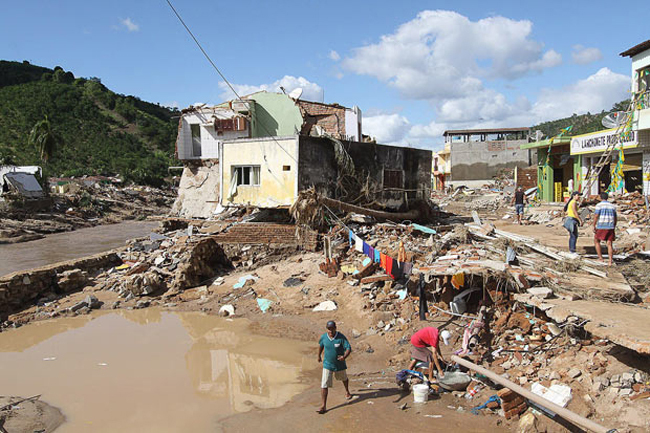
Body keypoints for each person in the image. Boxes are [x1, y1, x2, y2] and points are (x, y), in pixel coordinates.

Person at [317, 321, 352, 414]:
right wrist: (319, 355)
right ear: (326, 329)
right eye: (329, 329)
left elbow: (348, 348)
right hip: (327, 364)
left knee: (343, 378)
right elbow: (321, 346)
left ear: (335, 328)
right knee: (324, 384)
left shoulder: (341, 337)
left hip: (339, 364)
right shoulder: (324, 337)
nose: (331, 331)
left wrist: (344, 357)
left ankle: (347, 391)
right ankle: (323, 406)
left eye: (332, 328)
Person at [593, 192, 617, 266]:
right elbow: (615, 217)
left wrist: (594, 224)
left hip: (601, 225)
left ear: (600, 197)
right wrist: (614, 225)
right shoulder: (612, 206)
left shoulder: (599, 205)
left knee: (596, 240)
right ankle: (610, 260)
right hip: (610, 226)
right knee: (609, 243)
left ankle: (600, 258)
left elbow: (596, 215)